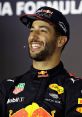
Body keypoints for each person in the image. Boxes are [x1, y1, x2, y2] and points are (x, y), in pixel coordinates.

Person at [0, 6, 82, 117]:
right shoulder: (7, 87)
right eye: (32, 30)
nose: (33, 36)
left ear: (60, 41)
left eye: (43, 30)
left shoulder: (75, 88)